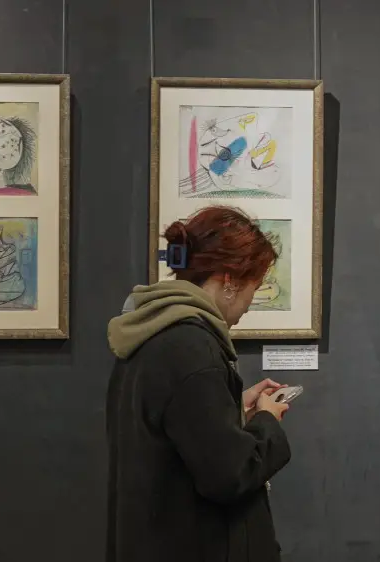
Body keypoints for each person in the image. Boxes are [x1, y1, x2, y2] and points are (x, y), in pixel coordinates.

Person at [105, 206, 293, 562]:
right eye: (254, 287)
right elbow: (229, 475)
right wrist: (266, 421)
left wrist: (231, 409)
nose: (249, 305)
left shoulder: (149, 333)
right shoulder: (193, 348)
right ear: (230, 280)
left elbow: (177, 435)